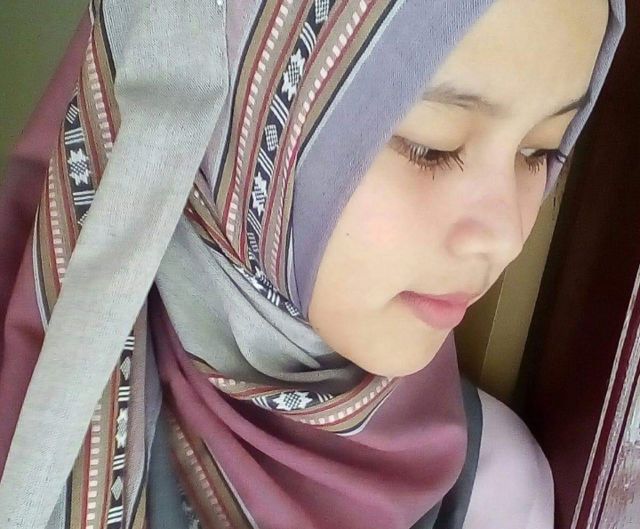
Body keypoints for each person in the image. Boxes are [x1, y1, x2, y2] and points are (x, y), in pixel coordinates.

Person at [0, 1, 625, 528]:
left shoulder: (493, 491)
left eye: (540, 151)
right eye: (431, 147)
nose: (505, 237)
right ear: (231, 125)